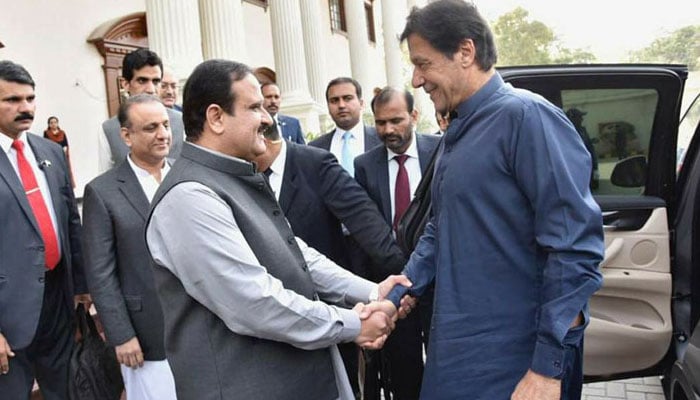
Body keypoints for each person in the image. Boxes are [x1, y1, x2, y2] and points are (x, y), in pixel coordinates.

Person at [144, 59, 408, 400]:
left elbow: (295, 254)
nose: (268, 119)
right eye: (254, 107)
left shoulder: (233, 177)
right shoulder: (188, 197)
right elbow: (253, 302)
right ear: (216, 117)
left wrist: (372, 293)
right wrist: (353, 324)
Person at [382, 1, 605, 399]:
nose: (416, 80)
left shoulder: (528, 118)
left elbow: (574, 250)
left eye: (423, 64)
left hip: (515, 367)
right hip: (455, 357)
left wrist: (546, 369)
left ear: (465, 52)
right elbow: (441, 227)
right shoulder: (457, 131)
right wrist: (401, 289)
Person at [0, 60, 91, 399]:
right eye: (12, 100)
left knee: (65, 391)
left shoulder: (49, 151)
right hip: (8, 313)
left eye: (30, 99)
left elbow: (71, 223)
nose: (25, 108)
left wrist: (81, 285)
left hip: (57, 301)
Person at [82, 94, 177, 400]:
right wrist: (121, 334)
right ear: (126, 136)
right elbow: (100, 273)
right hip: (146, 335)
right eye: (151, 128)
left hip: (203, 329)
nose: (163, 134)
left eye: (165, 125)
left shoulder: (188, 176)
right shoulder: (103, 191)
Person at [354, 87, 440, 400]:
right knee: (404, 371)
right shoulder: (365, 165)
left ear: (414, 116)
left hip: (438, 280)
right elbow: (367, 228)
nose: (388, 129)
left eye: (396, 121)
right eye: (380, 123)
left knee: (443, 365)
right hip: (392, 285)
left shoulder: (440, 150)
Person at [99, 48, 184, 172]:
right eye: (142, 81)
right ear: (125, 84)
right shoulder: (109, 129)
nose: (150, 89)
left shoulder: (181, 122)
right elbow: (104, 178)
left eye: (156, 81)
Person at [309, 77, 380, 177]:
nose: (341, 105)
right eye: (334, 100)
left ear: (361, 103)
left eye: (347, 98)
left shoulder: (381, 140)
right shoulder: (315, 148)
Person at [566, 108, 599, 189]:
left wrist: (595, 165)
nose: (582, 119)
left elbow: (588, 146)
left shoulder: (582, 130)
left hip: (588, 165)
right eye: (579, 117)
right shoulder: (566, 132)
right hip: (576, 169)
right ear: (572, 118)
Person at [43, 116, 75, 187]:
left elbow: (66, 144)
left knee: (63, 171)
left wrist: (63, 152)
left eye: (55, 122)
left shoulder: (62, 133)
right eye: (51, 123)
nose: (53, 124)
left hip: (61, 155)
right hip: (51, 155)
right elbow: (45, 144)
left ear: (57, 123)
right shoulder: (46, 133)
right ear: (49, 124)